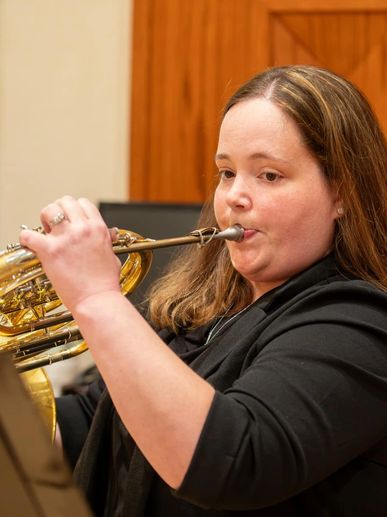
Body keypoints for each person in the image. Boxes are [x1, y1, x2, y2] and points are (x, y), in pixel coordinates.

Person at [20, 65, 387, 516]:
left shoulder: (360, 322)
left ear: (342, 193)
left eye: (268, 175)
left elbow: (232, 460)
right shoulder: (199, 316)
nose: (234, 196)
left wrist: (96, 298)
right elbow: (87, 429)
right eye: (227, 173)